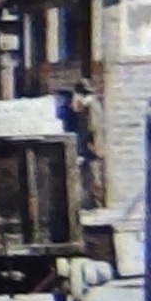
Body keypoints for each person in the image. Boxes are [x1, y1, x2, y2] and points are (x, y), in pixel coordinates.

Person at [68, 78, 106, 210]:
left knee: (94, 175)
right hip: (91, 143)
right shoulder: (93, 103)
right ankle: (95, 201)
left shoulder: (89, 103)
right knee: (91, 174)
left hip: (92, 144)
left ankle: (97, 202)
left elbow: (76, 109)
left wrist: (90, 143)